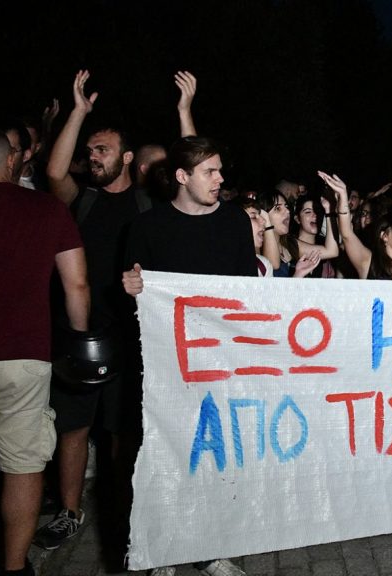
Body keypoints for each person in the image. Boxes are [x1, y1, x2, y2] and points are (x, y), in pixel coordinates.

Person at [0, 124, 90, 576]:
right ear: (12, 159)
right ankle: (12, 568)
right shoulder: (47, 209)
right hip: (27, 356)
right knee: (23, 466)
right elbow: (77, 285)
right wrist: (80, 339)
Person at [122, 136, 255, 576]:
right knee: (168, 454)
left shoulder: (234, 221)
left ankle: (211, 547)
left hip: (221, 362)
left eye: (220, 170)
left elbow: (247, 291)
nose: (220, 179)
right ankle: (164, 550)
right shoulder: (148, 227)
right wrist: (130, 288)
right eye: (209, 172)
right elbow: (132, 295)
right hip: (167, 364)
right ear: (182, 176)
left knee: (216, 455)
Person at [37, 70, 147, 551]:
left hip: (130, 338)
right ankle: (69, 512)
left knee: (123, 431)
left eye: (103, 149)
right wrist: (78, 113)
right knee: (73, 428)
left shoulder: (146, 205)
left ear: (127, 157)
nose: (94, 156)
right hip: (78, 334)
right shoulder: (82, 200)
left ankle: (124, 510)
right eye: (91, 150)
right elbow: (54, 173)